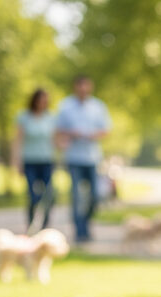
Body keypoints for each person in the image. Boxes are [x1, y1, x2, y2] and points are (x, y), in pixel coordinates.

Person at [55, 75, 111, 242]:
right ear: (75, 88)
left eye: (86, 86)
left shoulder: (98, 106)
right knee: (77, 196)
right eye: (80, 87)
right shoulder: (65, 106)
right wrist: (71, 134)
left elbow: (106, 130)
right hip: (73, 158)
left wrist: (93, 135)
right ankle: (80, 231)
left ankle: (86, 223)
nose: (83, 90)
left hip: (93, 158)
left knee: (95, 196)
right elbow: (58, 130)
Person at [11, 88, 56, 231]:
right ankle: (31, 223)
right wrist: (16, 161)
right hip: (30, 160)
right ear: (35, 101)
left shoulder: (50, 118)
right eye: (41, 100)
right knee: (33, 195)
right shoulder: (24, 117)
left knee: (48, 194)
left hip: (47, 160)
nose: (43, 103)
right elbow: (18, 140)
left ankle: (45, 224)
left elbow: (55, 139)